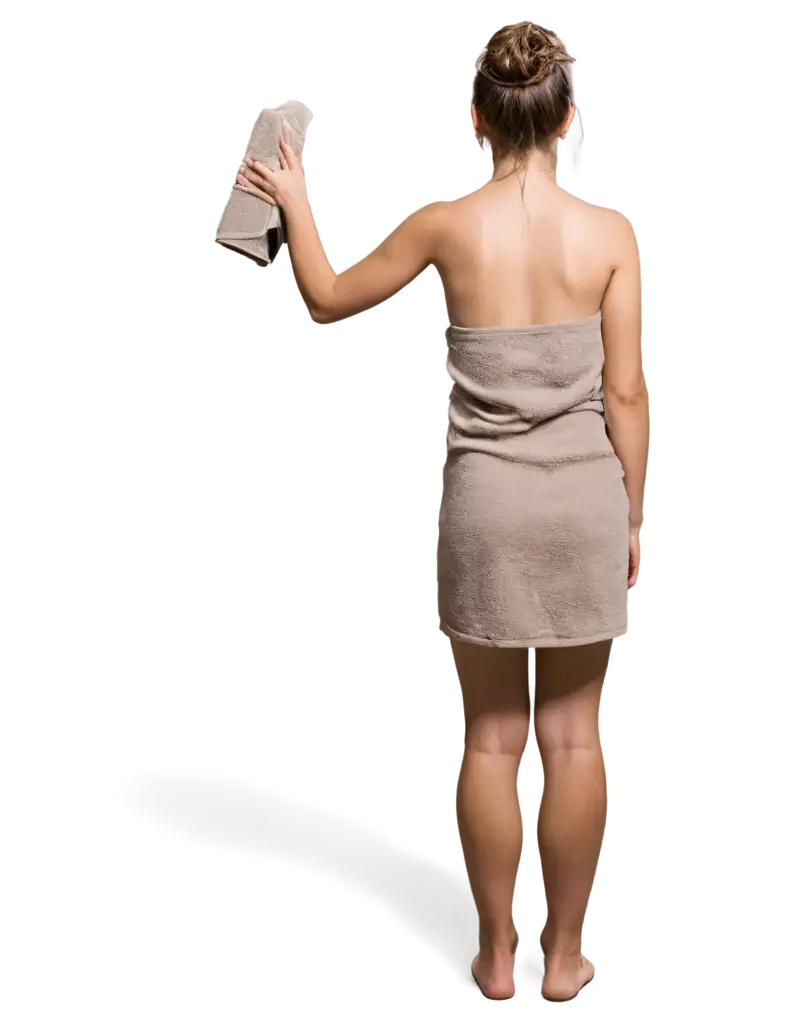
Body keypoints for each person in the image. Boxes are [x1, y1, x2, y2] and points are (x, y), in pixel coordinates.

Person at [234, 22, 649, 1005]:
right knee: (574, 737)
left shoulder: (444, 224)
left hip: (486, 503)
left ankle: (496, 957)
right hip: (583, 493)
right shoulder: (610, 235)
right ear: (567, 119)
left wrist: (296, 203)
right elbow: (624, 394)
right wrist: (631, 514)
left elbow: (329, 295)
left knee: (494, 737)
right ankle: (565, 955)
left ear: (476, 118)